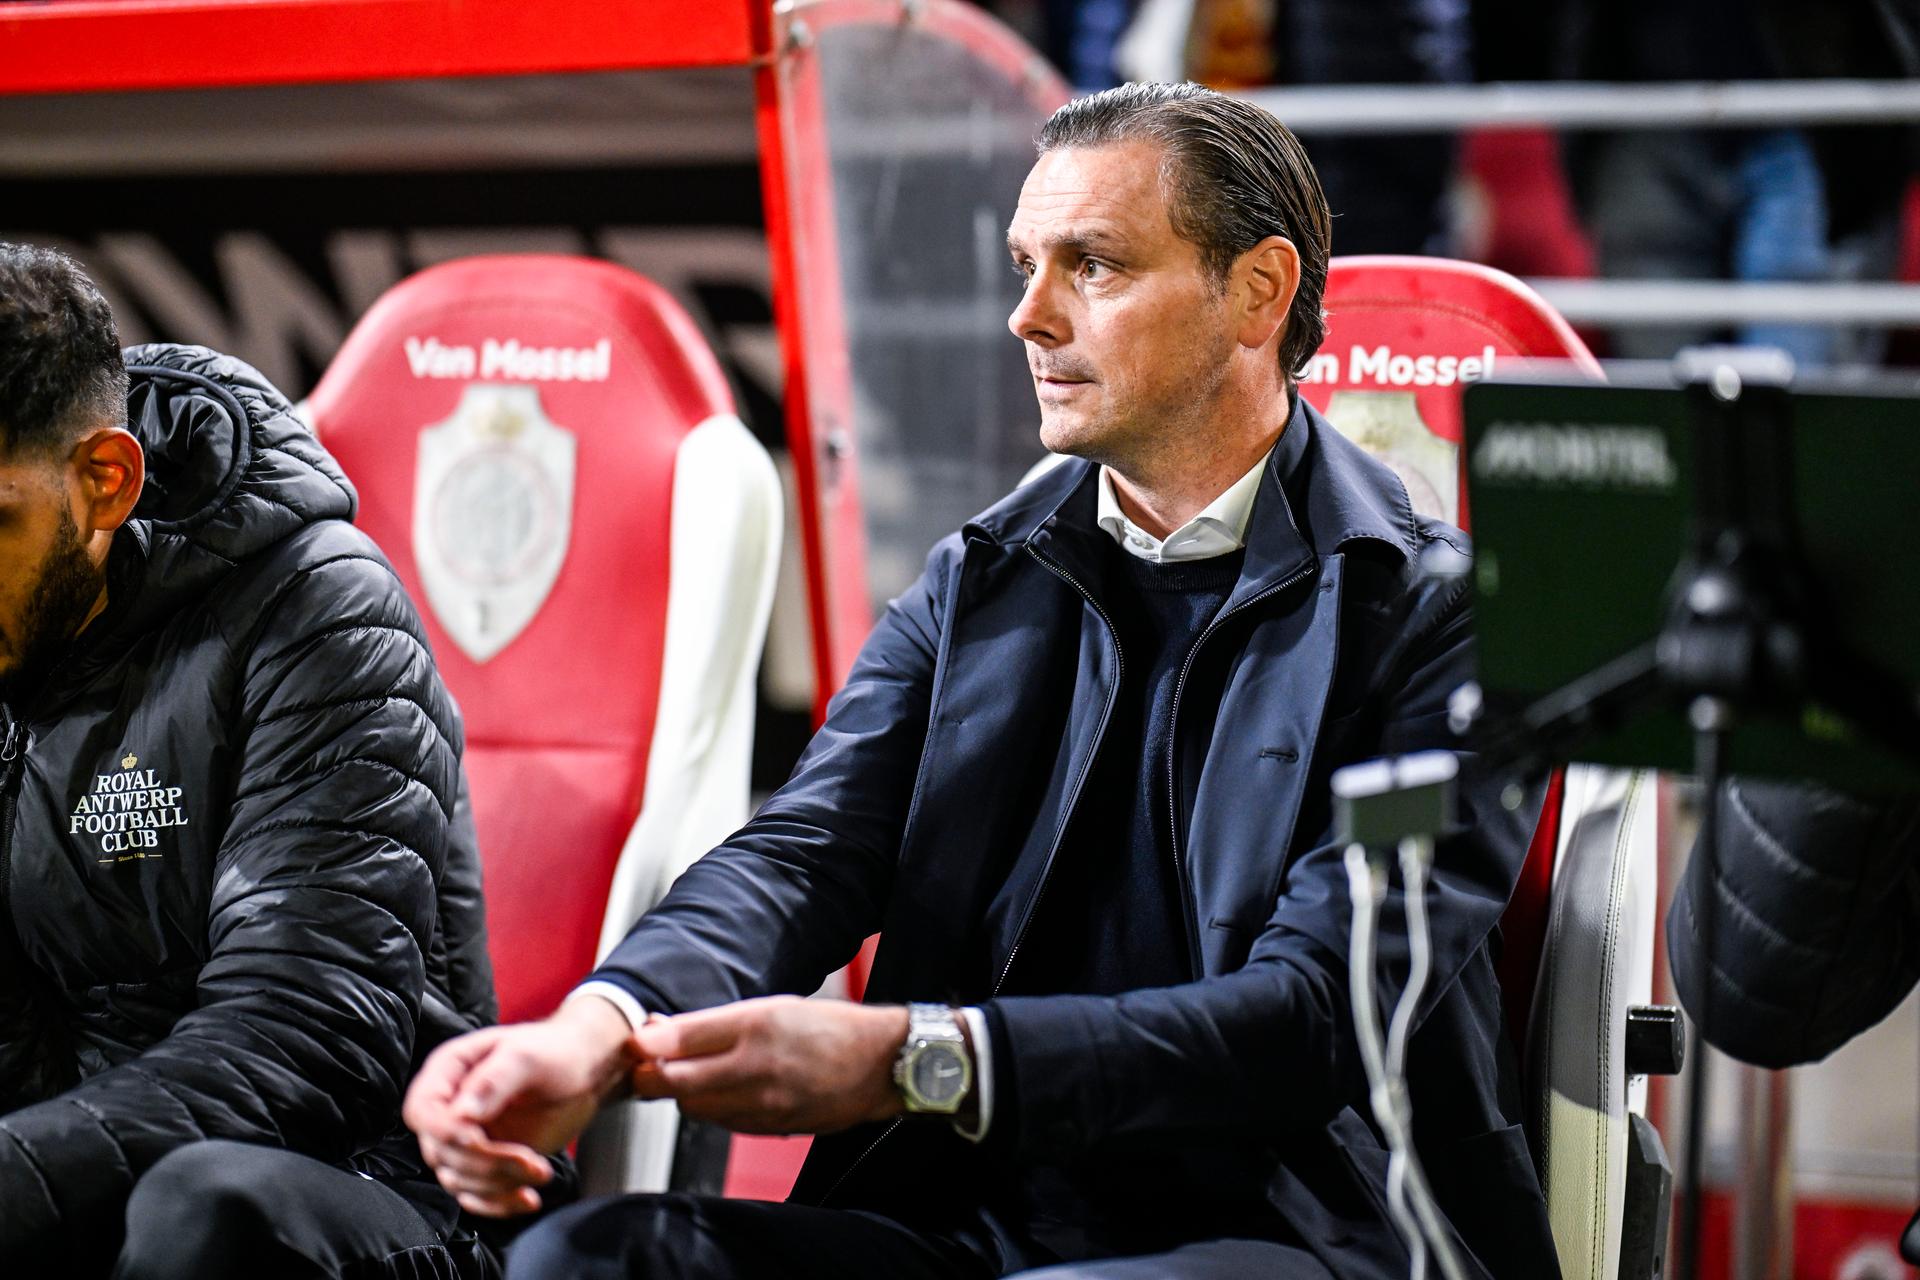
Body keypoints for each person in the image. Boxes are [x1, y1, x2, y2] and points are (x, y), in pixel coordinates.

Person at [407, 82, 1552, 1280]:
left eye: (1092, 266)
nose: (1028, 317)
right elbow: (801, 853)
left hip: (1298, 1225)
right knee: (589, 1256)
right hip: (962, 1211)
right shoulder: (981, 574)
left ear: (1257, 292)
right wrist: (598, 1026)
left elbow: (1318, 1014)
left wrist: (922, 1057)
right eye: (1025, 264)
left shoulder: (1441, 613)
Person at [0, 242, 507, 1277]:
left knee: (201, 1213)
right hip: (53, 1176)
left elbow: (304, 1040)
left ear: (105, 480)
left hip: (360, 1185)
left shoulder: (322, 613)